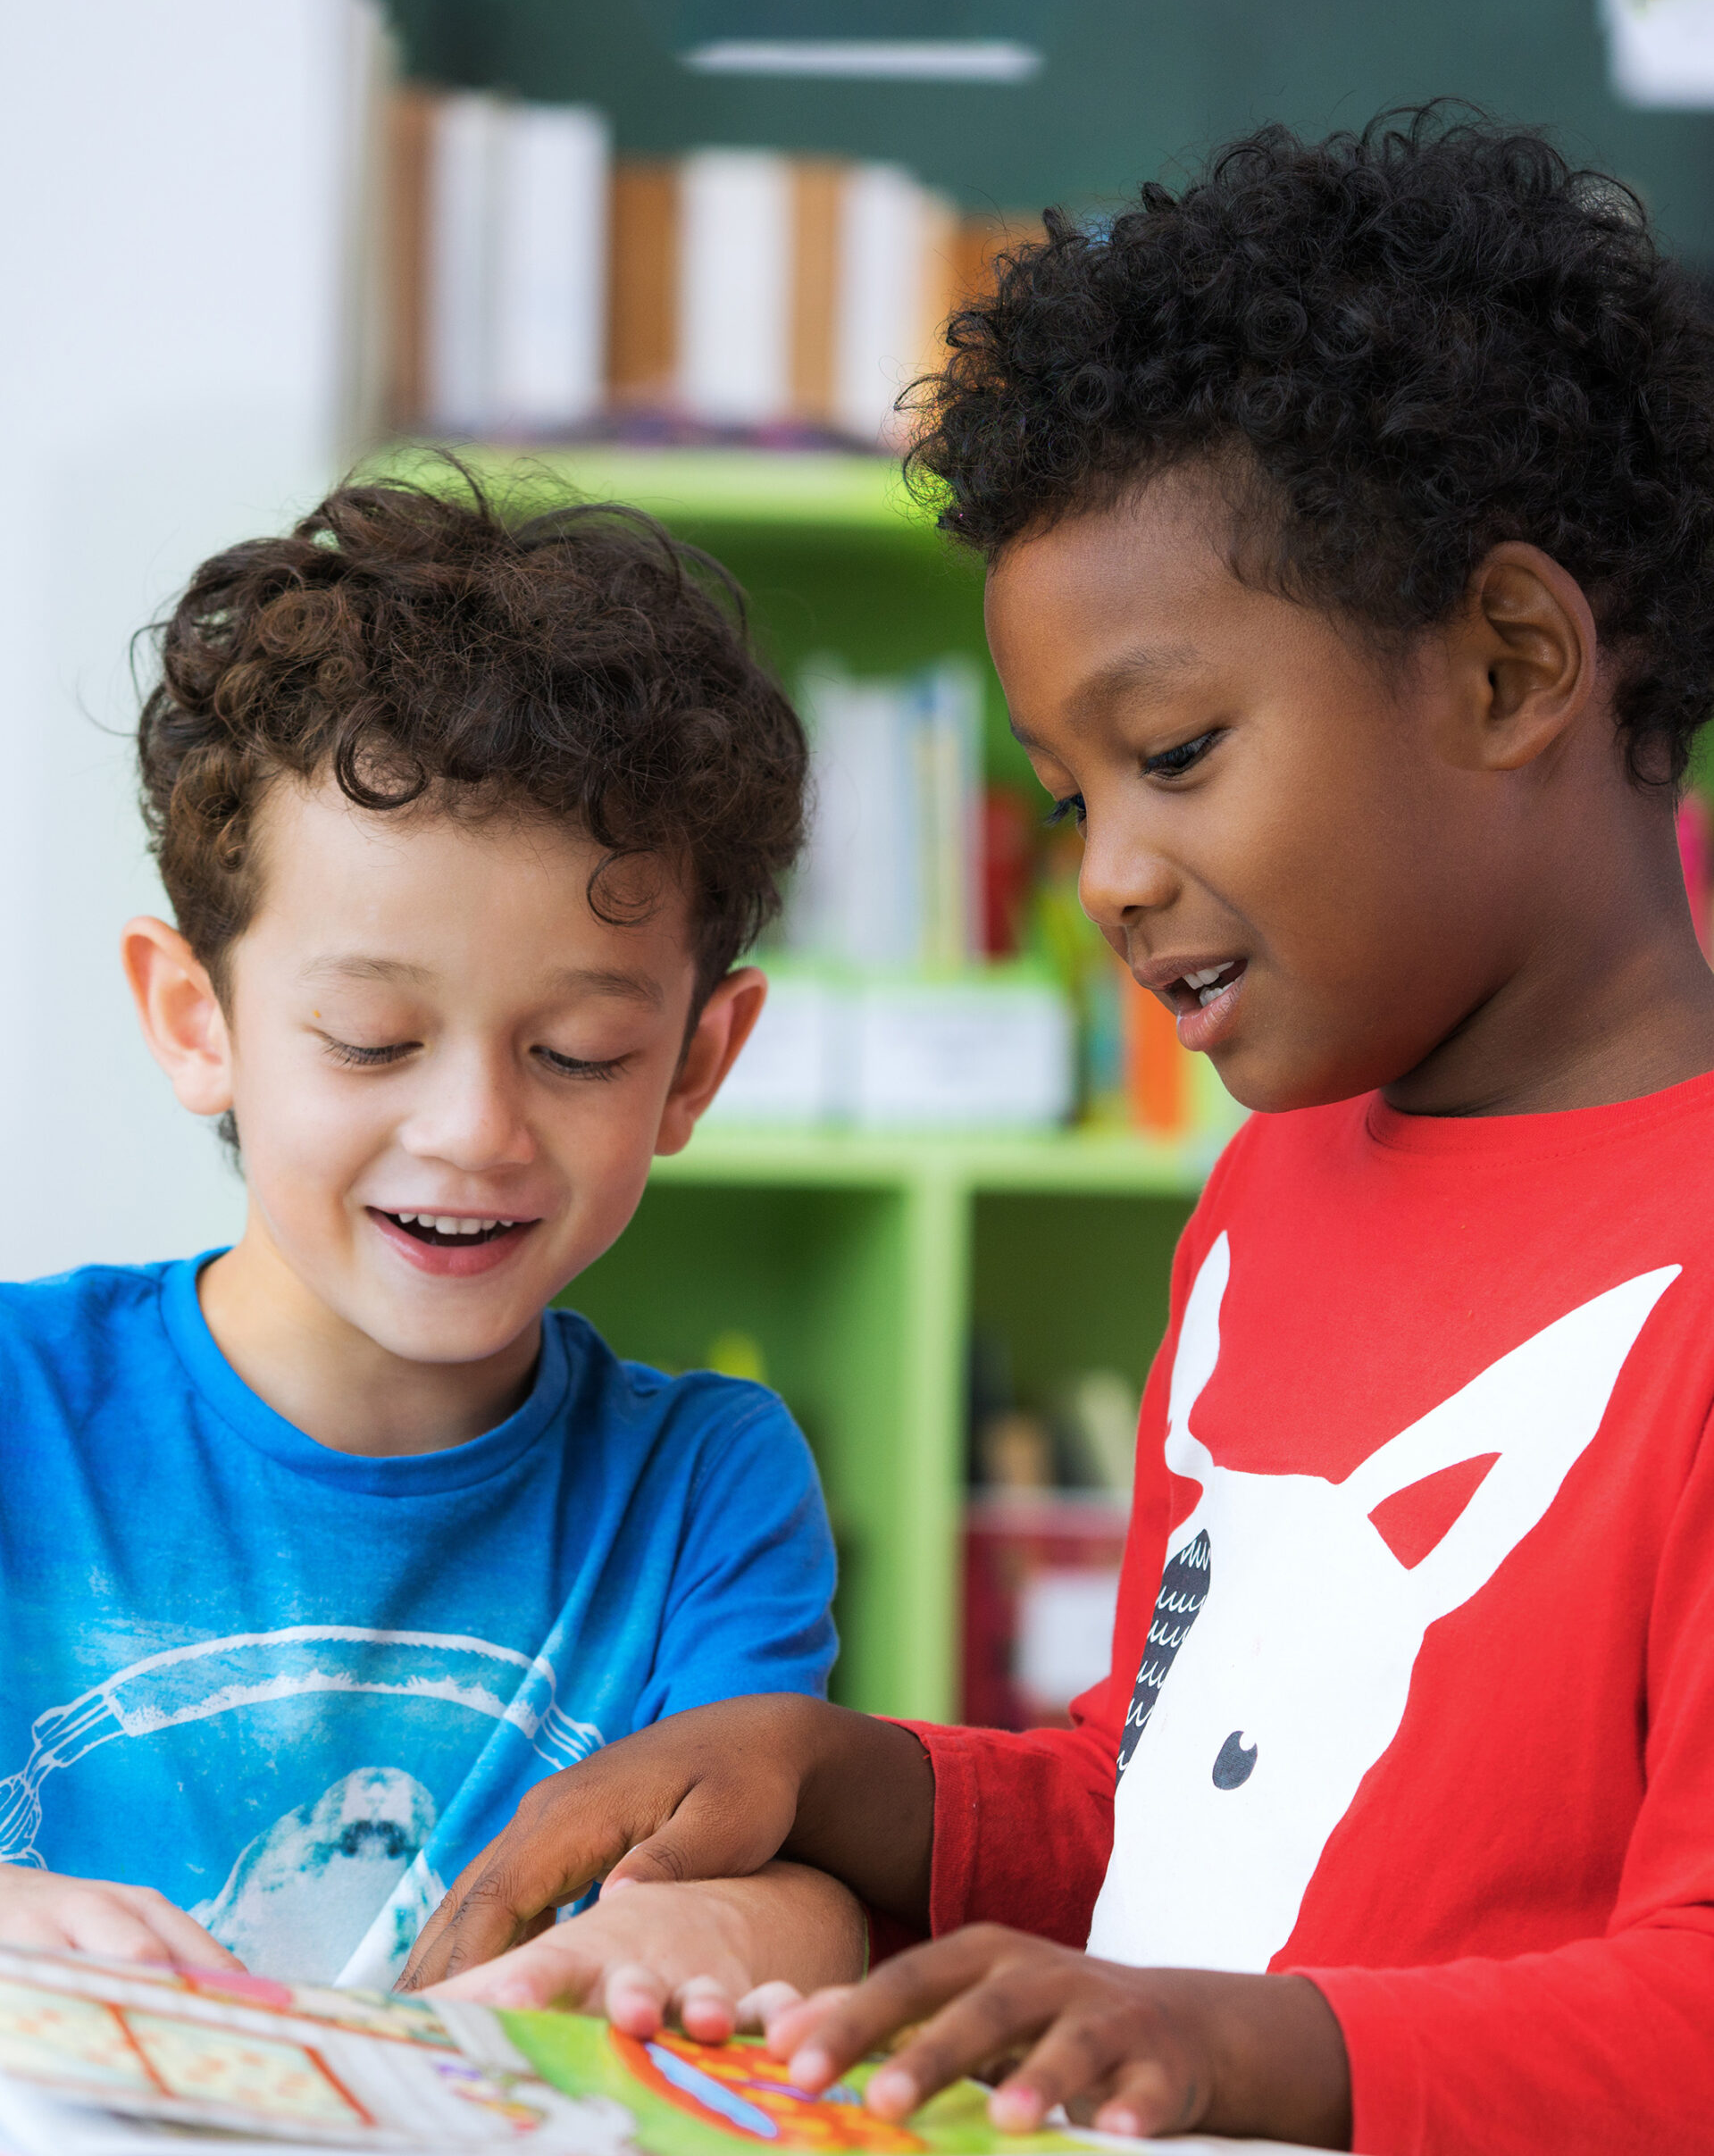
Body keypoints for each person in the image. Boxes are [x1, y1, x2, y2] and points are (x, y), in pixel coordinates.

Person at [397, 113, 1714, 2156]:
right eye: (1073, 794)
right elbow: (1169, 1805)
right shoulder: (1271, 1190)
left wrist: (1233, 2048)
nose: (1108, 874)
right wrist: (839, 1772)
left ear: (1510, 659)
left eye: (1175, 754)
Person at [0, 470, 845, 1991]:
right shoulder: (19, 1406)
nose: (474, 1131)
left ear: (693, 1067)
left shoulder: (703, 1487)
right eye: (376, 1038)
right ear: (200, 1021)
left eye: (577, 1052)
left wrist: (699, 1936)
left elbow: (797, 1896)